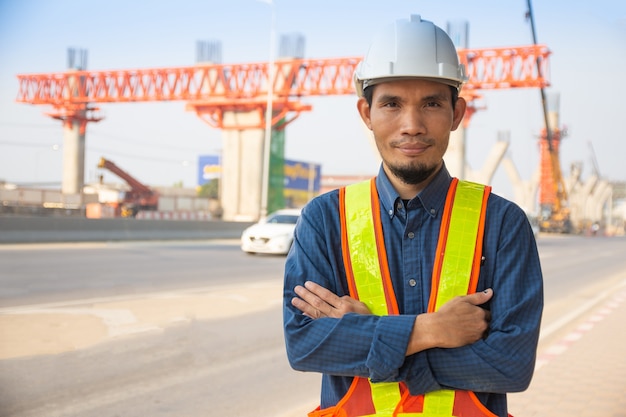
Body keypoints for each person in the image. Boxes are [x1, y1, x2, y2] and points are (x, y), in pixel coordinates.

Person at [282, 14, 543, 417]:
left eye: (432, 104)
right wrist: (430, 330)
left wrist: (370, 339)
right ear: (366, 114)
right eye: (391, 104)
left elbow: (510, 366)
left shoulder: (502, 224)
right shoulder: (324, 220)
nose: (412, 125)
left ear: (457, 113)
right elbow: (306, 345)